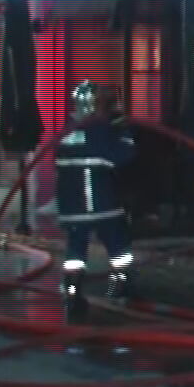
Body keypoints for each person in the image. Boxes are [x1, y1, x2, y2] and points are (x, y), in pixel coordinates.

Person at [53, 80, 136, 320]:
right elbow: (122, 156)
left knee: (75, 250)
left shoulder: (66, 131)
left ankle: (72, 290)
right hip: (101, 204)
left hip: (72, 207)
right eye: (101, 102)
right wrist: (124, 132)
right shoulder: (98, 129)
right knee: (118, 246)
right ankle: (120, 286)